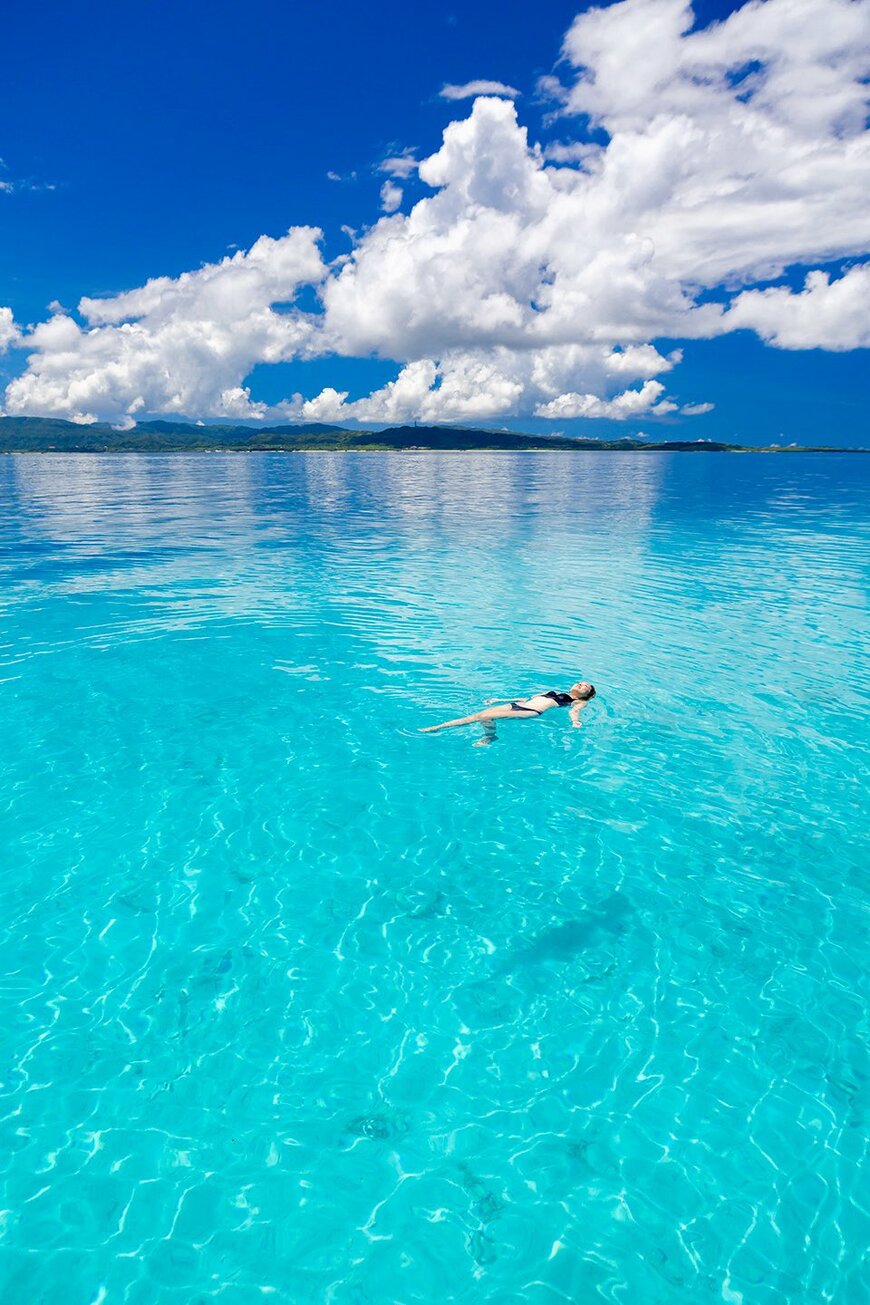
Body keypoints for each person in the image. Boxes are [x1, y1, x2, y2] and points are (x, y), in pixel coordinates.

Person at [420, 682, 596, 746]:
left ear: (587, 694)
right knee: (476, 716)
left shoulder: (579, 701)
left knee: (484, 717)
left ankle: (490, 737)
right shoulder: (553, 691)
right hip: (518, 704)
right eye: (580, 682)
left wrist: (575, 722)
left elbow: (575, 711)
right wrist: (498, 699)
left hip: (531, 712)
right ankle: (438, 727)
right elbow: (527, 697)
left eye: (585, 686)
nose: (581, 684)